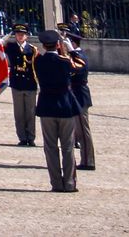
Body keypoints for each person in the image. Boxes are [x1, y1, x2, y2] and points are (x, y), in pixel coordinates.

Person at [34, 28, 85, 193]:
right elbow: (81, 66)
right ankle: (69, 183)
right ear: (57, 44)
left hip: (46, 106)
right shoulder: (65, 61)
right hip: (64, 106)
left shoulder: (38, 61)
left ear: (43, 45)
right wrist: (71, 49)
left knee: (50, 147)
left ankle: (56, 183)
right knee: (68, 146)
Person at [61, 22, 96, 171]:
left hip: (80, 97)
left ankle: (88, 161)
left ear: (73, 43)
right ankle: (85, 159)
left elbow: (77, 69)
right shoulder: (75, 56)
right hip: (74, 96)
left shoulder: (80, 56)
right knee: (78, 130)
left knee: (83, 131)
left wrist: (70, 51)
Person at [6, 22, 39, 147]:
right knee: (19, 113)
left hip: (30, 84)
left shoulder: (32, 49)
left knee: (30, 113)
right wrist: (8, 36)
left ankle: (31, 137)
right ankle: (22, 137)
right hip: (17, 83)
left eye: (22, 34)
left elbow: (36, 67)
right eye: (17, 34)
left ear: (27, 36)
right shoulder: (11, 47)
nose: (20, 36)